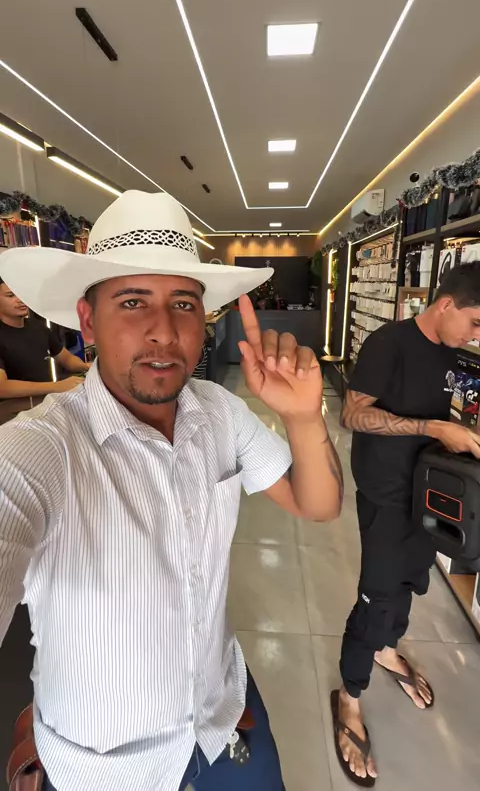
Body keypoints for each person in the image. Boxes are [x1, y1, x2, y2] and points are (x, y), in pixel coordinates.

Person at [0, 191, 343, 791]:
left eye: (183, 303)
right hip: (102, 765)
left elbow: (318, 505)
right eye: (133, 301)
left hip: (221, 719)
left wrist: (302, 417)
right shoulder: (39, 450)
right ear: (87, 321)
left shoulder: (219, 412)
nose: (163, 330)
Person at [333, 261, 480, 787]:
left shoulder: (450, 352)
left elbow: (436, 408)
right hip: (386, 494)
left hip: (425, 491)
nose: (475, 335)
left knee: (412, 581)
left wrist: (455, 431)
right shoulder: (388, 344)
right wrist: (434, 427)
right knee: (377, 592)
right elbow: (352, 415)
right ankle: (350, 695)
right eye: (475, 322)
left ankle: (387, 648)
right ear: (446, 305)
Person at [0, 279, 88, 399]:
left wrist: (87, 367)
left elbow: (67, 359)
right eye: (11, 295)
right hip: (15, 407)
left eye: (21, 294)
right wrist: (56, 386)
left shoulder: (38, 327)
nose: (20, 299)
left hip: (47, 402)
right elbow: (2, 388)